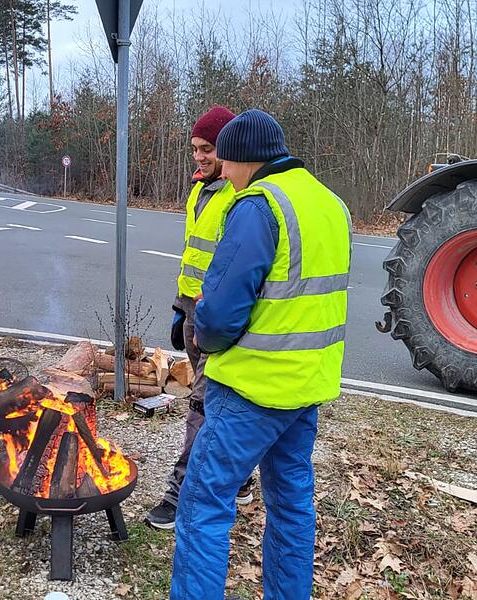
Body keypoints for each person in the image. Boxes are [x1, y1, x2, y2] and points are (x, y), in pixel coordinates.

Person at [170, 109, 352, 599]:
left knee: (203, 504)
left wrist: (201, 338)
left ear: (247, 160)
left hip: (251, 390)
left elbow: (221, 314)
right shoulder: (329, 204)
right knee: (291, 504)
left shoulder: (258, 205)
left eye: (225, 163)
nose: (222, 173)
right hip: (305, 389)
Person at [145, 106, 255, 530]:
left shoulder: (239, 195)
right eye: (195, 149)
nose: (200, 157)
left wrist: (209, 317)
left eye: (207, 149)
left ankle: (180, 494)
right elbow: (193, 256)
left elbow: (236, 270)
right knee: (217, 402)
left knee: (204, 404)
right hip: (193, 311)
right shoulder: (198, 191)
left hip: (219, 318)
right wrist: (180, 308)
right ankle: (242, 478)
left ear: (226, 148)